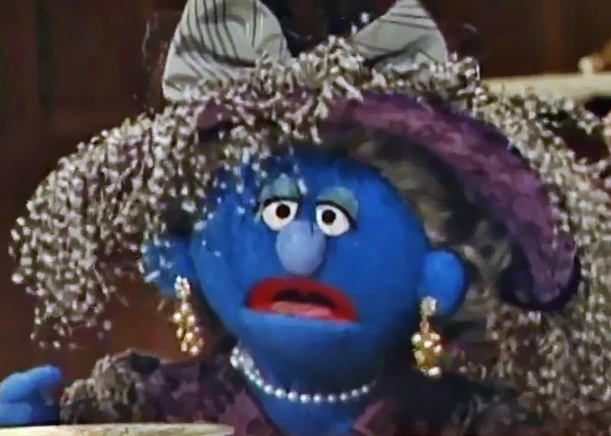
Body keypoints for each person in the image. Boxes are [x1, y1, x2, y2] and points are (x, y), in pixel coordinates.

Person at [1, 1, 611, 435]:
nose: (301, 249)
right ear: (177, 254)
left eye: (335, 218)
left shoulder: (468, 422)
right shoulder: (146, 409)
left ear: (438, 274)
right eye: (278, 210)